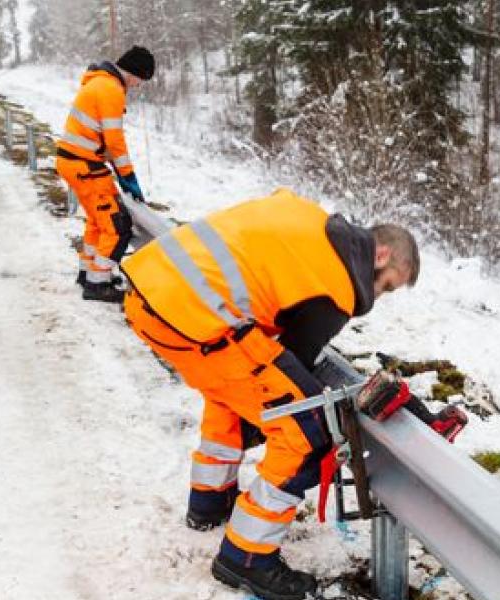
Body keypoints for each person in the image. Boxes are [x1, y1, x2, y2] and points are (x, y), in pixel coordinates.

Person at [121, 188, 420, 600]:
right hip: (194, 318)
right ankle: (247, 557)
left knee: (232, 390)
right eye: (386, 287)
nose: (377, 297)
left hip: (153, 294)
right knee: (306, 428)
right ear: (381, 255)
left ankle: (209, 505)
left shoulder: (308, 219)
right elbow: (295, 361)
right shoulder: (339, 285)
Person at [56, 45, 155, 303]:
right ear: (134, 73)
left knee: (98, 221)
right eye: (140, 81)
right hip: (83, 165)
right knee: (117, 226)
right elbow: (115, 141)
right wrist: (128, 177)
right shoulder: (111, 89)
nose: (138, 86)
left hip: (77, 162)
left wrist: (119, 172)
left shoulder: (100, 83)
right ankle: (98, 284)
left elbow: (103, 138)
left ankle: (88, 273)